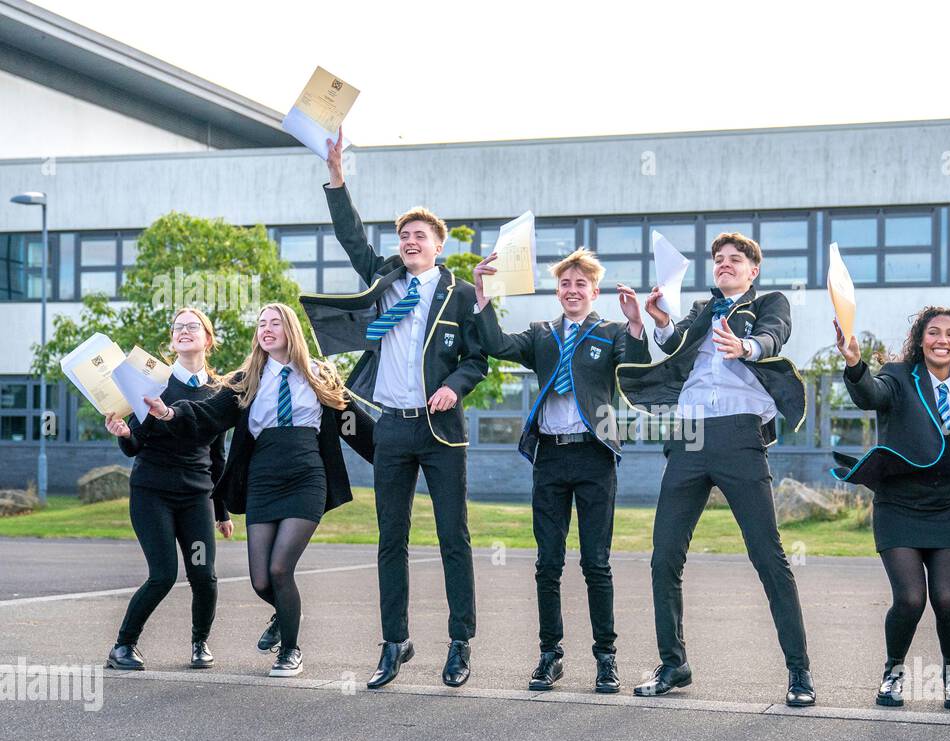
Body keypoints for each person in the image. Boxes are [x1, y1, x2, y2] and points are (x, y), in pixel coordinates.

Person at [617, 232, 815, 707]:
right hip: (689, 433)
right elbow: (676, 342)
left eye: (735, 260)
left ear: (753, 270)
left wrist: (745, 346)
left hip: (737, 432)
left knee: (768, 556)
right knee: (664, 554)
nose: (725, 265)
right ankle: (673, 662)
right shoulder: (703, 310)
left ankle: (799, 672)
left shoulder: (769, 301)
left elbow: (773, 336)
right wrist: (656, 320)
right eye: (719, 260)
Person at [320, 129, 488, 690]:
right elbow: (352, 241)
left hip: (441, 431)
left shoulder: (462, 296)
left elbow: (479, 358)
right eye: (403, 235)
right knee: (390, 538)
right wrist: (338, 179)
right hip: (392, 428)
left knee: (452, 537)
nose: (409, 241)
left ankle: (459, 641)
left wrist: (456, 386)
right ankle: (395, 641)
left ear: (438, 243)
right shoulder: (385, 282)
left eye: (419, 235)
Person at [144, 302, 374, 678]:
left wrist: (398, 457)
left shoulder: (320, 375)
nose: (266, 329)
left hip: (306, 476)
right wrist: (172, 413)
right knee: (261, 579)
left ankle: (291, 650)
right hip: (262, 479)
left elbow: (354, 425)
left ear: (291, 331)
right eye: (261, 324)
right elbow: (209, 414)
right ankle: (288, 613)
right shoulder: (246, 379)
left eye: (275, 323)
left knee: (281, 568)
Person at [471, 247, 650, 692]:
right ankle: (550, 654)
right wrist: (482, 296)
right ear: (558, 290)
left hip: (594, 457)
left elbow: (639, 364)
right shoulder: (541, 334)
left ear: (594, 290)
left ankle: (606, 658)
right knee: (548, 563)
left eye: (581, 284)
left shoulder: (610, 333)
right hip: (550, 457)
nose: (572, 290)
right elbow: (496, 345)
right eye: (565, 284)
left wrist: (634, 322)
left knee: (596, 563)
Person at [831, 306, 950, 709]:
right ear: (920, 338)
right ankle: (893, 672)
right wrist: (854, 361)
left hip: (947, 508)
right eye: (934, 332)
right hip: (899, 505)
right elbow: (868, 396)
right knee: (910, 598)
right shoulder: (897, 378)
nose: (942, 340)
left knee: (947, 598)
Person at [103, 308, 233, 671]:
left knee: (203, 575)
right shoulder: (152, 382)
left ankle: (199, 644)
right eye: (178, 327)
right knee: (163, 575)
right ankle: (123, 646)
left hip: (196, 498)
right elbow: (135, 442)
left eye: (193, 326)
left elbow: (218, 455)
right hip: (152, 493)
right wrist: (126, 435)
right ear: (172, 341)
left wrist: (221, 511)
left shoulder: (220, 391)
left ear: (208, 338)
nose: (184, 331)